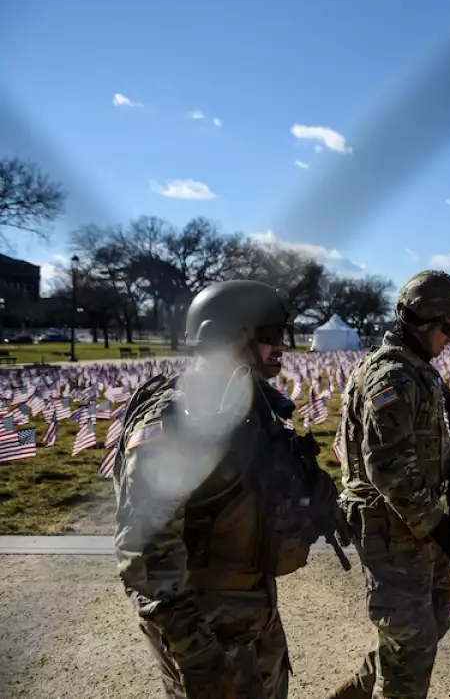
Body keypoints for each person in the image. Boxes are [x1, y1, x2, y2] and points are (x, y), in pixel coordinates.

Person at [113, 279, 342, 698]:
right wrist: (196, 652)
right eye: (270, 335)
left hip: (251, 611)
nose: (282, 346)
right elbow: (145, 551)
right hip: (205, 629)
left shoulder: (250, 405)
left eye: (283, 334)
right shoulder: (179, 422)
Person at [330, 270, 450, 699]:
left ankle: (358, 690)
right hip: (389, 523)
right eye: (448, 329)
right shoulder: (392, 376)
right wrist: (438, 525)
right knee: (410, 640)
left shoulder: (416, 370)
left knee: (437, 612)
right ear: (422, 322)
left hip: (416, 518)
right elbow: (387, 464)